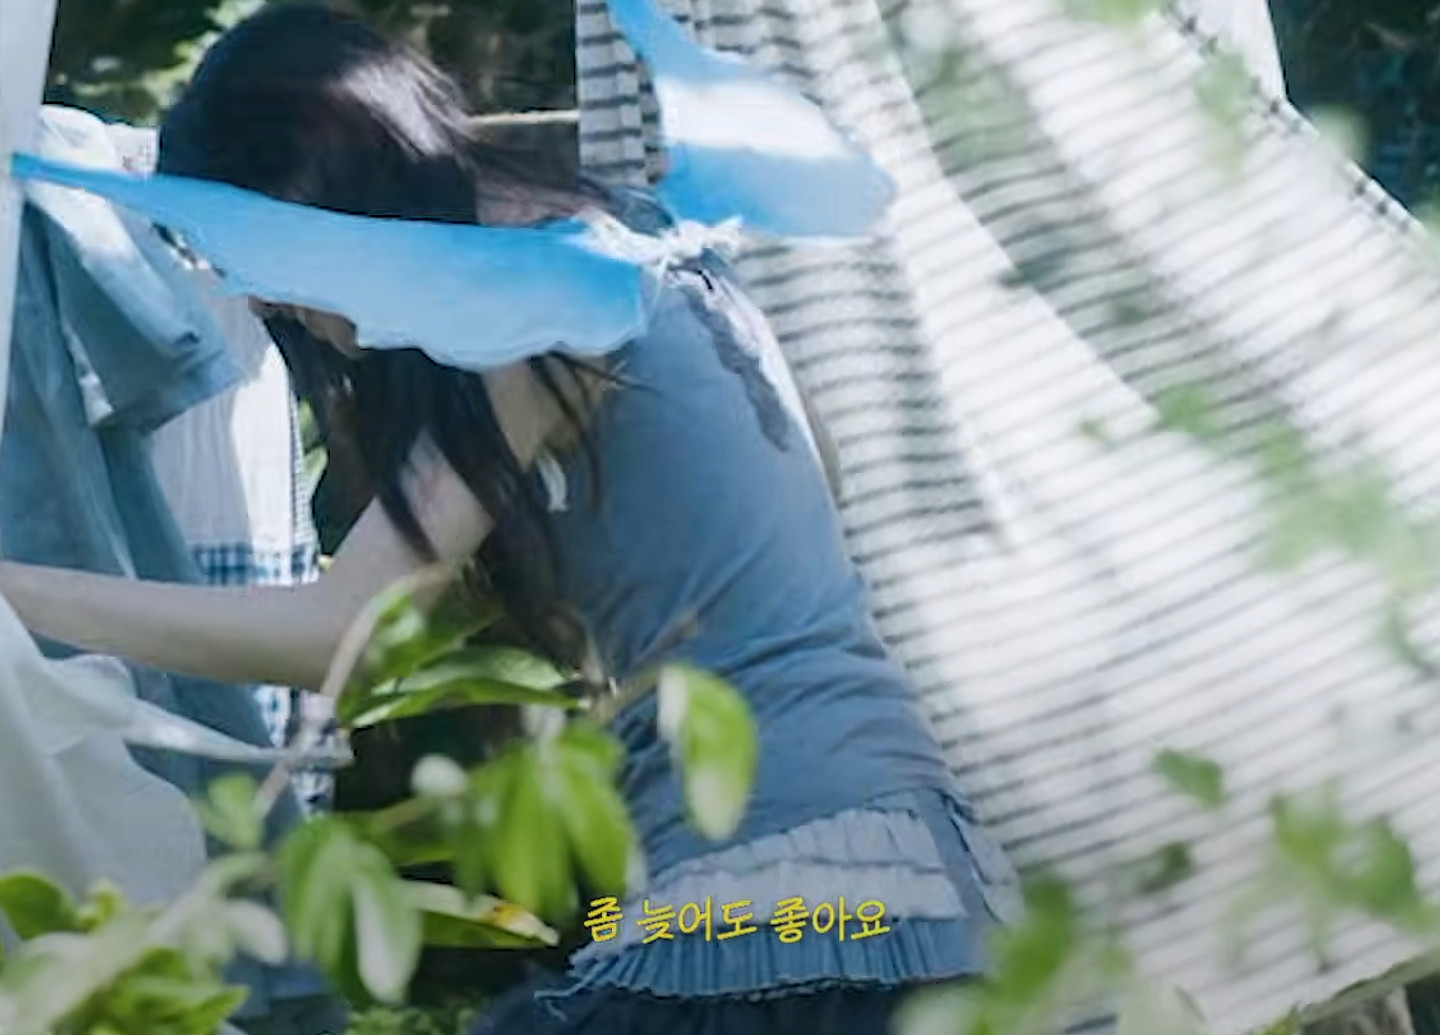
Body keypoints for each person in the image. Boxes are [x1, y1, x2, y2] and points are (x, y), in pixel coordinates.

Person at [0, 5, 1021, 1032]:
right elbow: (804, 506)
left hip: (782, 889)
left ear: (318, 199)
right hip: (919, 866)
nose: (263, 303)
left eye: (254, 256)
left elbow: (337, 635)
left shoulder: (552, 304)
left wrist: (16, 591)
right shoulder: (655, 250)